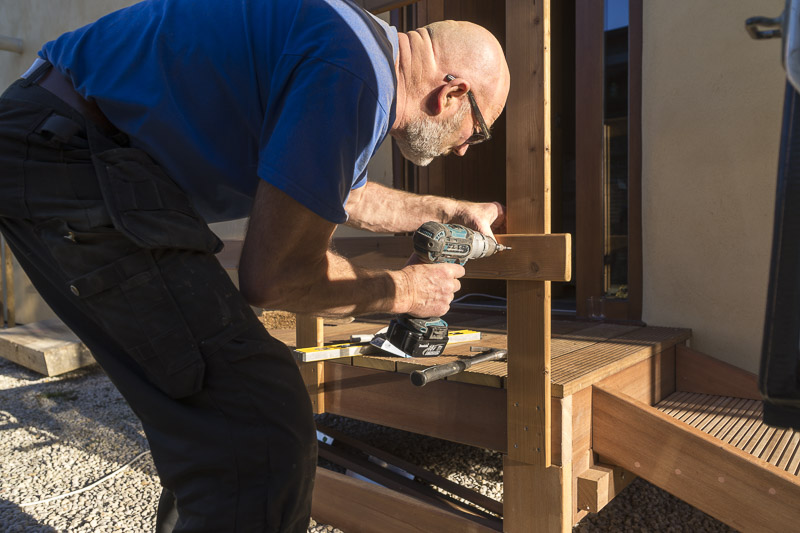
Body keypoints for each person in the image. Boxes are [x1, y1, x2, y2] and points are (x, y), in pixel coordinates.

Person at [0, 0, 510, 530]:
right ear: (451, 93)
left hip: (70, 143)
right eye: (477, 131)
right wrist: (405, 291)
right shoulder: (354, 75)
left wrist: (442, 211)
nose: (466, 151)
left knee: (222, 421)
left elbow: (341, 193)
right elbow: (274, 277)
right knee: (256, 416)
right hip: (74, 157)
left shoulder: (354, 53)